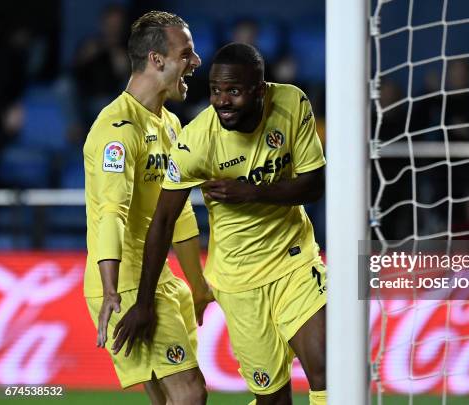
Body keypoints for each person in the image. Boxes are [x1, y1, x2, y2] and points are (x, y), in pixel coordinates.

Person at [113, 42, 327, 405]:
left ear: (260, 90)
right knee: (274, 398)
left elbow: (314, 184)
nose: (222, 101)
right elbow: (163, 220)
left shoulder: (292, 104)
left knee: (328, 370)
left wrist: (252, 192)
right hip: (238, 282)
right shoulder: (196, 141)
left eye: (234, 91)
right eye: (215, 90)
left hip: (295, 262)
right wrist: (145, 303)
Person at [83, 11, 212, 404]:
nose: (196, 62)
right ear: (157, 60)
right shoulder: (116, 130)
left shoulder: (171, 126)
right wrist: (111, 290)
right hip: (127, 282)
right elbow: (111, 212)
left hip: (161, 277)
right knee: (190, 394)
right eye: (186, 53)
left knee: (169, 400)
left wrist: (199, 285)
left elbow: (180, 215)